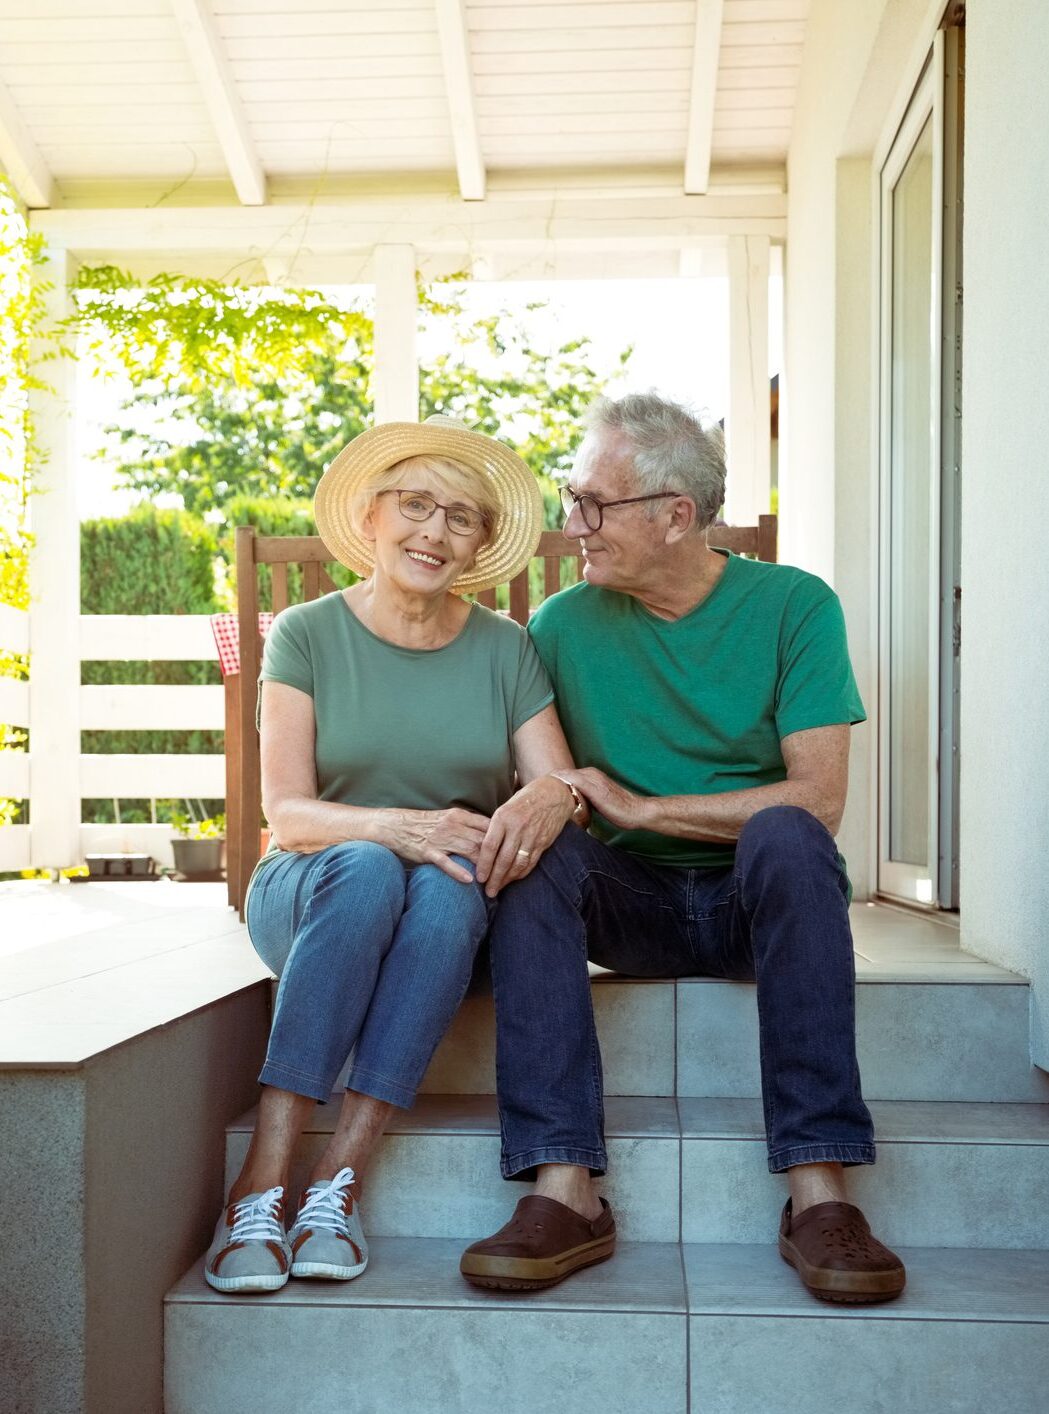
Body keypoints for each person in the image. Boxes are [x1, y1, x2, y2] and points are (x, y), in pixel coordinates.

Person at [460, 391, 906, 1305]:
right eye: (571, 497)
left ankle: (818, 1190)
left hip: (757, 903)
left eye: (593, 502)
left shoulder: (792, 605)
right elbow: (541, 781)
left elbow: (819, 798)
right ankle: (564, 1186)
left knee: (786, 833)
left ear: (674, 516)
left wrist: (644, 806)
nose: (571, 523)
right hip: (632, 908)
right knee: (538, 848)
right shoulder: (559, 625)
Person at [205, 415, 587, 1294]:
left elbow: (552, 788)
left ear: (481, 543)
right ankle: (262, 1175)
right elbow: (287, 813)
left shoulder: (504, 647)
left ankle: (338, 1179)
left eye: (460, 517)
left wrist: (547, 797)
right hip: (312, 891)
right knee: (378, 866)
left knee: (450, 887)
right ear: (371, 518)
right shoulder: (305, 632)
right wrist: (394, 827)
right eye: (415, 505)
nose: (433, 532)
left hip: (445, 917)